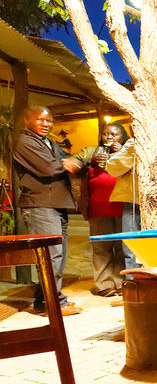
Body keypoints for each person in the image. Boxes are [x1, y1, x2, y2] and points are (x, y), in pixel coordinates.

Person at [13, 106, 83, 315]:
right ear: (27, 120)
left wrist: (74, 161)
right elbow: (50, 168)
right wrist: (68, 162)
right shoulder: (24, 141)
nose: (46, 124)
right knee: (51, 256)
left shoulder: (48, 143)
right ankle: (53, 304)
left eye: (49, 121)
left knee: (57, 255)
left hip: (56, 204)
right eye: (41, 120)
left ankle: (48, 300)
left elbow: (70, 161)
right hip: (40, 205)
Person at [74, 123, 129, 297]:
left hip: (123, 208)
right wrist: (91, 161)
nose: (109, 137)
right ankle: (104, 284)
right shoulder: (93, 152)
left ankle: (122, 283)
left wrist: (121, 153)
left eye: (114, 134)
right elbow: (76, 164)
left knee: (122, 248)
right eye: (106, 134)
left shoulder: (127, 152)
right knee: (101, 248)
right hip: (98, 209)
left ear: (123, 137)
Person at [105, 135, 141, 269]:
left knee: (132, 245)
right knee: (134, 245)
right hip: (139, 200)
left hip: (137, 201)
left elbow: (113, 167)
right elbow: (115, 168)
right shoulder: (133, 144)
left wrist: (121, 154)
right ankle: (136, 281)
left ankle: (134, 283)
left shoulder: (133, 144)